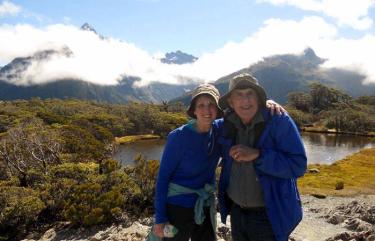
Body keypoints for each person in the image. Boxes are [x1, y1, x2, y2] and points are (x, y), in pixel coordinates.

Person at [149, 83, 285, 241]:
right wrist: (160, 220)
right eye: (201, 105)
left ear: (218, 110)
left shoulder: (219, 130)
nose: (207, 110)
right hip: (176, 209)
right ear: (193, 110)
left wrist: (267, 103)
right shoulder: (178, 137)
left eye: (211, 105)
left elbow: (243, 109)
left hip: (204, 206)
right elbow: (163, 179)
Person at [217, 74, 307, 241]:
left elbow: (298, 165)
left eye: (250, 93)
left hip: (268, 215)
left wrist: (258, 154)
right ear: (231, 101)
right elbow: (203, 127)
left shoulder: (279, 120)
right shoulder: (226, 124)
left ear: (259, 98)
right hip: (236, 212)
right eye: (239, 94)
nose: (245, 100)